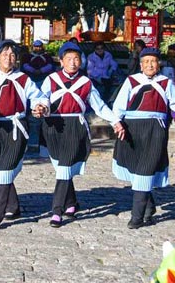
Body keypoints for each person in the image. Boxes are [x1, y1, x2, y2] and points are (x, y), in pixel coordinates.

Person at [40, 42, 125, 227]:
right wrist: (40, 107)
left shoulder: (86, 82)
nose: (72, 62)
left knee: (64, 168)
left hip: (74, 127)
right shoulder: (51, 79)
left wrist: (115, 121)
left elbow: (99, 106)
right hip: (53, 126)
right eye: (68, 58)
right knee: (61, 167)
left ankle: (57, 211)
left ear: (81, 62)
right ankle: (72, 202)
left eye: (76, 59)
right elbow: (42, 97)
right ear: (61, 61)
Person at [112, 47, 175, 229]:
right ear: (140, 65)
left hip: (155, 130)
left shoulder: (166, 83)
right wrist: (117, 123)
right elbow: (119, 105)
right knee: (136, 169)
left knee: (146, 169)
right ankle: (149, 206)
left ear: (159, 64)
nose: (149, 65)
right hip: (131, 129)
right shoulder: (131, 81)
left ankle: (136, 216)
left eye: (153, 61)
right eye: (146, 61)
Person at [0, 39, 49, 229]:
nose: (8, 59)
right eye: (4, 55)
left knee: (6, 169)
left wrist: (39, 106)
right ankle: (13, 206)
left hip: (16, 128)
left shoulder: (23, 79)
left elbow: (37, 97)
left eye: (12, 55)